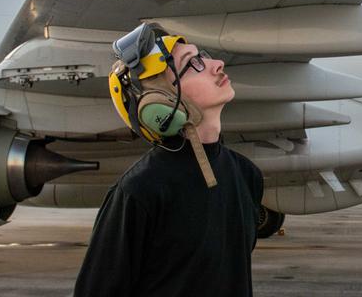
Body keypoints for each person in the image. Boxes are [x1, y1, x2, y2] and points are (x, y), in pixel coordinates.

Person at [74, 23, 264, 296]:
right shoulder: (140, 191)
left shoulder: (247, 175)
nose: (217, 64)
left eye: (203, 56)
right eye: (193, 63)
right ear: (159, 103)